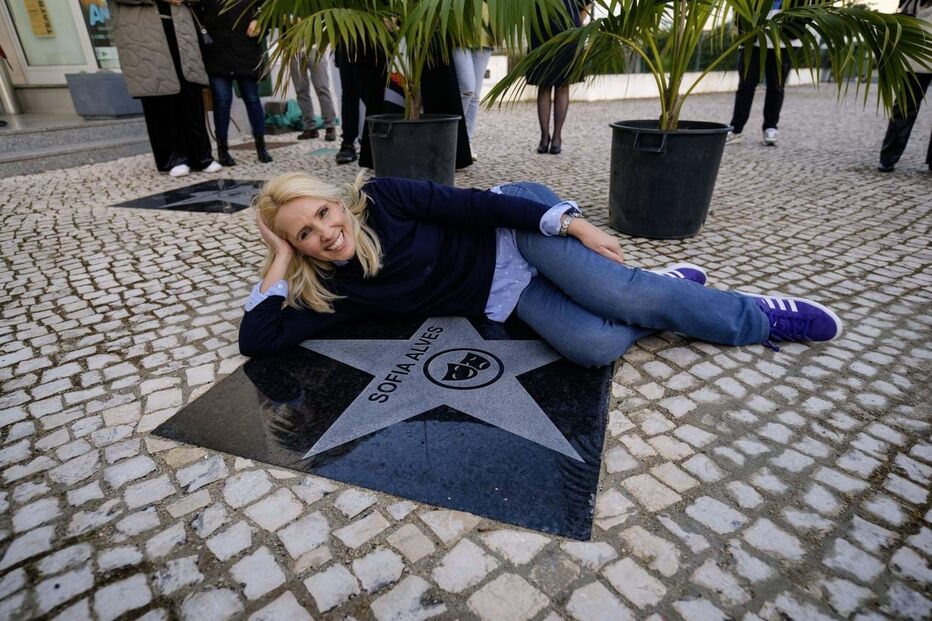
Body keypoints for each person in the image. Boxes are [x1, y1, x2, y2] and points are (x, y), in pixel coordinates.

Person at [238, 173, 843, 367]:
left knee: (614, 289)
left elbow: (472, 204)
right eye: (304, 236)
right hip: (505, 291)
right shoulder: (336, 287)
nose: (326, 234)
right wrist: (278, 259)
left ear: (337, 201)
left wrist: (571, 223)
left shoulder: (383, 197)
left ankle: (757, 317)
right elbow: (257, 341)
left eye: (322, 213)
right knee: (593, 345)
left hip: (515, 228)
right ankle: (670, 290)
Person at [110, 0, 221, 177]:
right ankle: (174, 159)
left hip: (181, 30)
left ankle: (202, 157)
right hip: (145, 34)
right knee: (160, 98)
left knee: (191, 94)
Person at [196, 0, 272, 165]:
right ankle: (223, 150)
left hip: (246, 51)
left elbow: (268, 8)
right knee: (222, 101)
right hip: (217, 53)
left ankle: (261, 147)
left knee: (252, 99)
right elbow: (196, 15)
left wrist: (259, 20)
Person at [726, 0, 797, 147]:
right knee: (745, 86)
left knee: (776, 87)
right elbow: (739, 8)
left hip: (783, 42)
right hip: (751, 39)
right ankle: (736, 130)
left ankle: (770, 129)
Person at [526, 0, 591, 155]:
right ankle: (544, 136)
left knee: (563, 85)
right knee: (544, 84)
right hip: (540, 30)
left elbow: (587, 4)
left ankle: (556, 136)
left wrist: (576, 26)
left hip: (568, 32)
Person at [878, 0, 932, 172]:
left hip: (919, 46)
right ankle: (888, 158)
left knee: (905, 105)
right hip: (920, 47)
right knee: (905, 105)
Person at [453, 2, 495, 155]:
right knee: (467, 89)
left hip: (486, 34)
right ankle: (454, 140)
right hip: (459, 31)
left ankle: (466, 144)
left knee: (475, 94)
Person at [290, 47, 338, 142]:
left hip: (316, 47)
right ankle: (310, 128)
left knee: (322, 88)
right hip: (294, 49)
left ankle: (330, 126)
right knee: (301, 91)